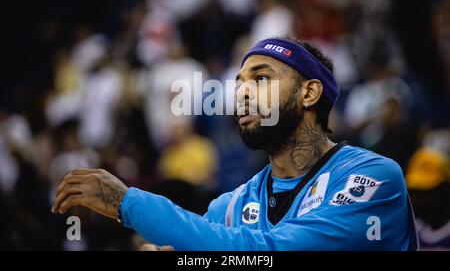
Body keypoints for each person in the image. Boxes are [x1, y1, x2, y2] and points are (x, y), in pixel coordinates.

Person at [51, 37, 418, 250]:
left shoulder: (374, 179)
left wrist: (126, 202)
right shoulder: (232, 205)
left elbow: (266, 252)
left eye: (261, 79)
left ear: (309, 92)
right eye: (240, 83)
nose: (242, 93)